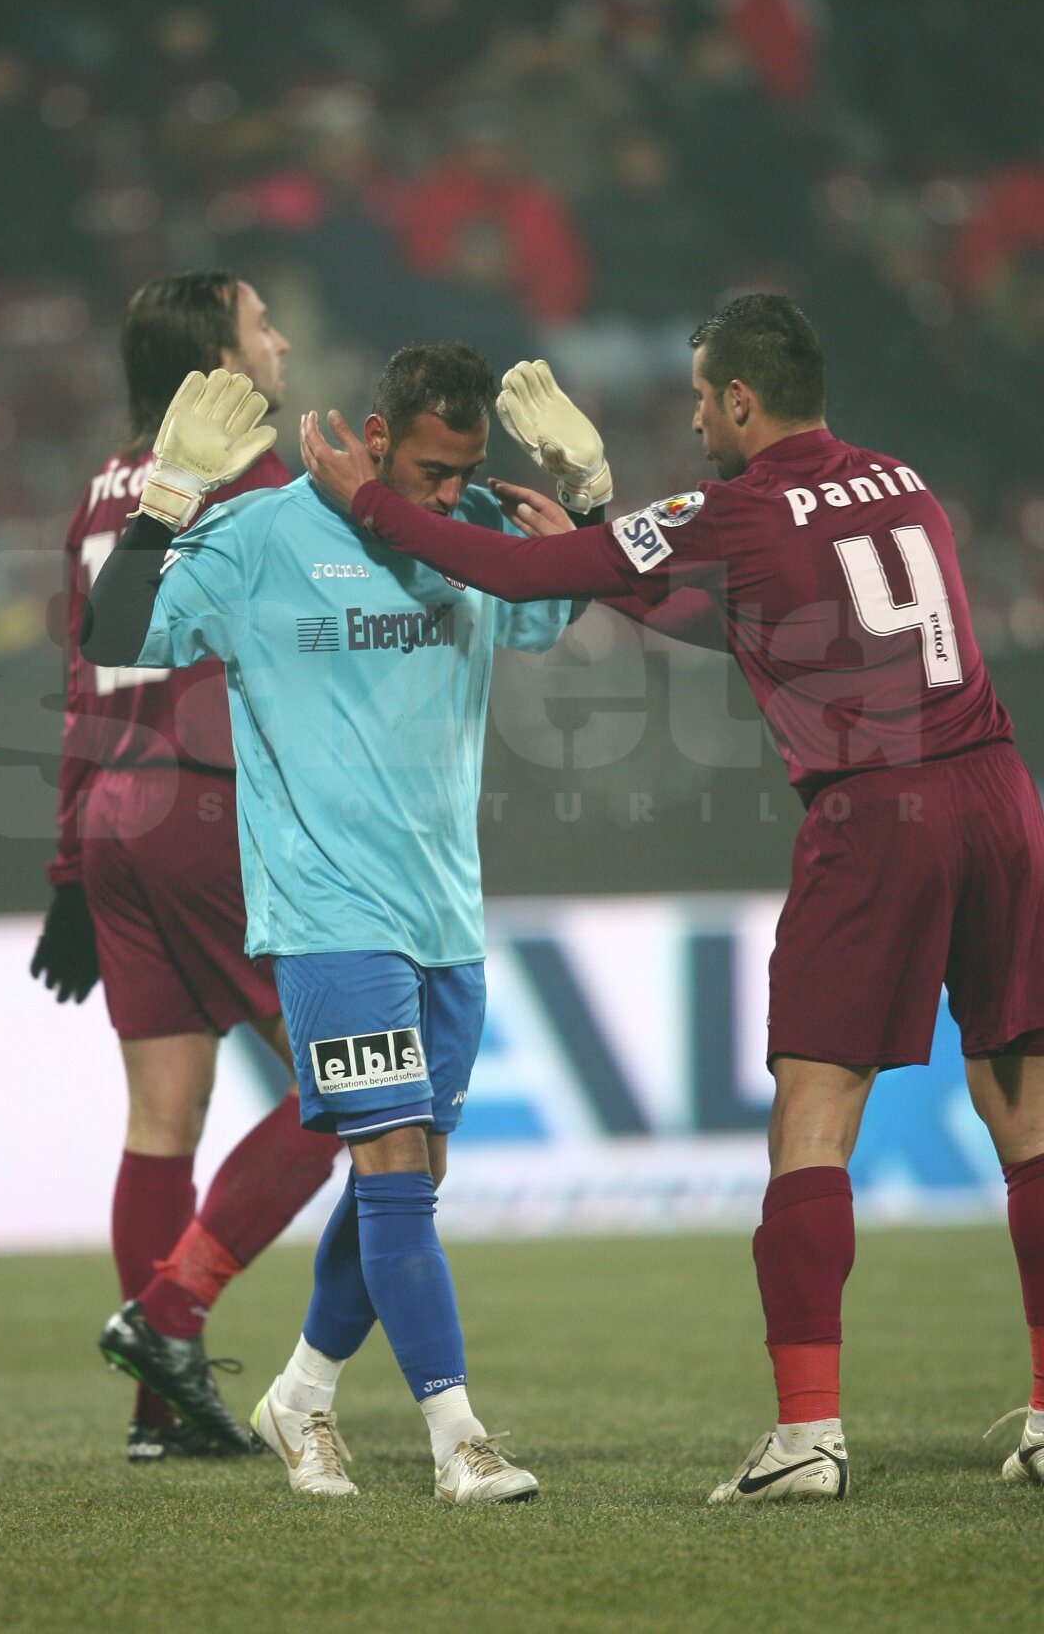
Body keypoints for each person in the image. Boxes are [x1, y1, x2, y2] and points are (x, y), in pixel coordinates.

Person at [301, 293, 1044, 1502]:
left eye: (703, 398)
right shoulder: (903, 484)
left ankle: (807, 1435)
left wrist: (369, 504)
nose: (696, 419)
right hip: (1002, 798)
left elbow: (516, 567)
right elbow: (754, 623)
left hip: (877, 817)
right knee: (1029, 1118)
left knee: (811, 1121)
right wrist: (603, 540)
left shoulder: (737, 505)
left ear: (741, 399)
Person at [82, 341, 590, 1502]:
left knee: (400, 1181)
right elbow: (113, 640)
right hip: (326, 916)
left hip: (446, 922)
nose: (445, 495)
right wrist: (162, 508)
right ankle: (458, 1440)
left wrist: (592, 506)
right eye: (426, 468)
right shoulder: (263, 539)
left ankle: (300, 1396)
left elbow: (560, 612)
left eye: (463, 473)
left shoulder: (464, 548)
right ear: (374, 437)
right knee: (396, 1170)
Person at [31, 271, 340, 1462]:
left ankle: (161, 1416)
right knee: (347, 1087)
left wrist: (69, 866)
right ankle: (167, 1319)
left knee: (163, 1115)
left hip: (114, 813)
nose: (282, 339)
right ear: (218, 353)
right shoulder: (251, 482)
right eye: (265, 325)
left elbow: (79, 680)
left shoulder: (105, 489)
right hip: (208, 805)